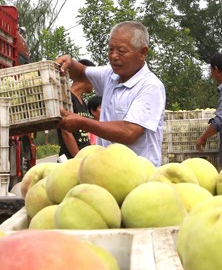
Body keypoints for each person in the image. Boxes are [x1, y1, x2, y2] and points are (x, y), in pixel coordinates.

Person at [56, 21, 166, 167]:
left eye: (121, 51)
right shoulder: (111, 75)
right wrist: (70, 62)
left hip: (139, 175)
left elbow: (129, 132)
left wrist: (82, 122)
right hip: (108, 170)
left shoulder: (150, 87)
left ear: (142, 52)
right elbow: (81, 72)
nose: (113, 56)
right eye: (110, 49)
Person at [56, 58, 95, 159]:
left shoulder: (83, 103)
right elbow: (66, 132)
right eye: (94, 77)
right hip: (71, 160)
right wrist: (78, 159)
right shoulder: (67, 98)